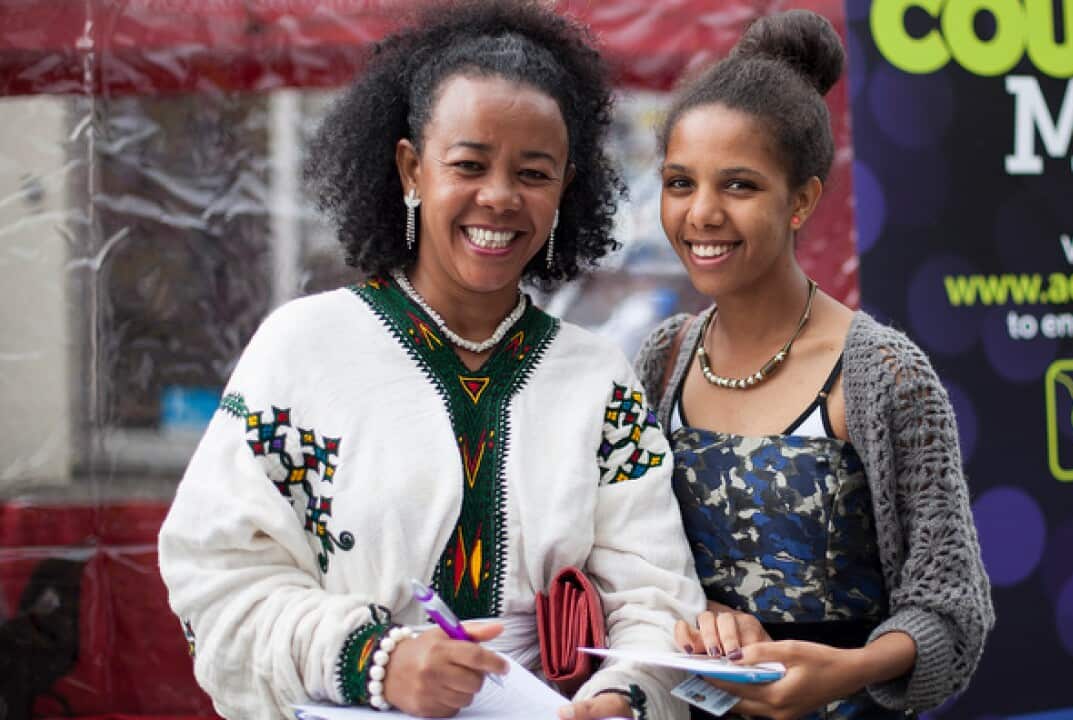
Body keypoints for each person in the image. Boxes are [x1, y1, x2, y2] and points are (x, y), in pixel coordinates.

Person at [158, 2, 704, 718]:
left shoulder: (597, 378)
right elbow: (216, 580)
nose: (500, 197)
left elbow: (655, 594)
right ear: (412, 169)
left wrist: (623, 697)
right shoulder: (302, 351)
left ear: (566, 188)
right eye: (469, 164)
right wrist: (375, 660)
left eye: (534, 173)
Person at [634, 10, 994, 720]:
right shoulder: (662, 358)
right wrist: (699, 610)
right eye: (680, 182)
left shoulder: (883, 373)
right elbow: (636, 560)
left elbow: (952, 607)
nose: (701, 213)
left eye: (738, 186)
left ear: (801, 201)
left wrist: (846, 670)